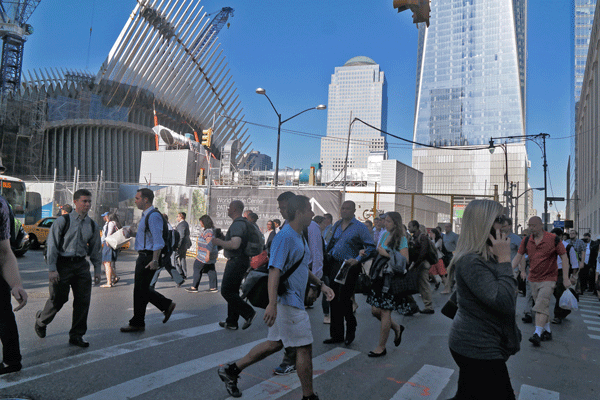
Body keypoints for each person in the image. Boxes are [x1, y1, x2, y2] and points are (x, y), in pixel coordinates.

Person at [217, 195, 334, 399]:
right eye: (309, 210)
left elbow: (300, 267)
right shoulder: (285, 236)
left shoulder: (299, 235)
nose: (313, 214)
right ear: (299, 212)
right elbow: (274, 270)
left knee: (275, 343)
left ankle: (231, 370)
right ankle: (309, 396)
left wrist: (321, 285)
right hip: (289, 302)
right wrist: (272, 304)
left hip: (291, 301)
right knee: (304, 348)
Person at [447, 200, 520, 400]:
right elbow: (504, 302)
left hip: (484, 343)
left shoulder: (489, 255)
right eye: (499, 219)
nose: (507, 224)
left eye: (507, 218)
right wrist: (506, 260)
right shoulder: (471, 260)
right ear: (483, 223)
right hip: (477, 347)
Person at [35, 189, 102, 348]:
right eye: (84, 201)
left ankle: (77, 335)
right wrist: (52, 269)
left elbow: (95, 249)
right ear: (75, 202)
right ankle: (41, 320)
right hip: (62, 265)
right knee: (58, 299)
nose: (87, 204)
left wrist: (97, 270)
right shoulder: (62, 222)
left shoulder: (92, 225)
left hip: (81, 266)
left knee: (83, 301)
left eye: (89, 201)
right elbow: (52, 246)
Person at [272, 191, 324, 376]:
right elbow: (276, 268)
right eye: (281, 208)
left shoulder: (310, 229)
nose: (283, 212)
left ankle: (235, 369)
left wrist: (315, 286)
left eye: (285, 208)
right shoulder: (287, 230)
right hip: (288, 295)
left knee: (284, 341)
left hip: (298, 290)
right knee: (293, 342)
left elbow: (315, 258)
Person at [120, 188, 176, 333]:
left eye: (137, 198)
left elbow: (158, 241)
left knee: (141, 289)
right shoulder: (147, 215)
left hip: (148, 257)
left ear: (146, 200)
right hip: (145, 256)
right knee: (140, 290)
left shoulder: (153, 216)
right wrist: (132, 233)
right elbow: (148, 237)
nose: (135, 200)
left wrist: (155, 260)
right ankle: (139, 321)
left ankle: (165, 305)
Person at [323, 201, 376, 346]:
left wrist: (358, 259)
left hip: (349, 266)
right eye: (342, 208)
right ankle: (336, 334)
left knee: (344, 299)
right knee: (333, 298)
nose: (344, 211)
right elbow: (329, 243)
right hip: (335, 264)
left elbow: (371, 247)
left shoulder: (359, 227)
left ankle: (351, 328)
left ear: (353, 211)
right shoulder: (336, 225)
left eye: (347, 209)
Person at [512, 216, 570, 347]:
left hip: (549, 278)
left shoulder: (553, 239)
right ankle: (547, 331)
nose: (531, 228)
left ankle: (537, 333)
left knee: (540, 304)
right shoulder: (526, 240)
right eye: (529, 225)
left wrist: (566, 278)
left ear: (541, 225)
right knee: (542, 306)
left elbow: (564, 257)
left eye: (533, 225)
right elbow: (518, 256)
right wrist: (509, 270)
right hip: (533, 278)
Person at [364, 212, 407, 357]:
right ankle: (396, 327)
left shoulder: (401, 238)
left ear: (396, 223)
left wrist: (387, 254)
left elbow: (404, 261)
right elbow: (378, 251)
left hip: (390, 279)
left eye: (388, 221)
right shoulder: (383, 235)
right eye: (385, 221)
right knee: (375, 310)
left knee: (385, 311)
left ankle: (381, 347)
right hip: (378, 277)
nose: (385, 223)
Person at [212, 200, 256, 331]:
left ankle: (248, 313)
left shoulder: (238, 224)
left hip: (236, 261)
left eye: (230, 207)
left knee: (226, 291)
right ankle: (231, 321)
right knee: (233, 291)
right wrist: (224, 238)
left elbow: (235, 244)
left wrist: (218, 241)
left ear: (235, 209)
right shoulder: (242, 223)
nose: (228, 209)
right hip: (241, 260)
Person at [0, 194, 27, 375]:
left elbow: (4, 251)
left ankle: (12, 360)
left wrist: (16, 284)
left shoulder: (0, 205)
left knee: (4, 315)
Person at [549, 228, 579, 325]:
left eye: (555, 236)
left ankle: (558, 316)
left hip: (563, 272)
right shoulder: (549, 247)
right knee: (553, 292)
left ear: (561, 236)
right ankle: (565, 310)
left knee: (559, 293)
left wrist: (573, 276)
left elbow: (574, 263)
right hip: (551, 272)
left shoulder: (568, 247)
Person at [149, 214, 184, 289]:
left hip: (164, 251)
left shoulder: (165, 228)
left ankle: (151, 285)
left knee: (157, 267)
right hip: (168, 250)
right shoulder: (169, 227)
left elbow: (162, 241)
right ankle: (179, 280)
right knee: (168, 266)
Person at [407, 220, 434, 314]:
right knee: (421, 285)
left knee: (424, 285)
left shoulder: (422, 237)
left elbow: (423, 252)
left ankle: (428, 306)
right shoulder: (415, 237)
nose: (408, 228)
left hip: (421, 264)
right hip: (419, 263)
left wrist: (416, 264)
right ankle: (424, 306)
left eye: (410, 226)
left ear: (415, 226)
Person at [186, 215, 218, 293]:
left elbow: (210, 243)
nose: (200, 223)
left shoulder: (208, 232)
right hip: (209, 254)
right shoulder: (210, 230)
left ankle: (194, 287)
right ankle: (213, 287)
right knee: (210, 269)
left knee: (197, 267)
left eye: (201, 222)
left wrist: (207, 255)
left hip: (204, 255)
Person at [100, 212, 119, 287]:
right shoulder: (113, 223)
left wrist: (107, 241)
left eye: (105, 216)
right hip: (109, 244)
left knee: (107, 263)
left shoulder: (111, 223)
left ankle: (109, 283)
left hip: (108, 244)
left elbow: (109, 234)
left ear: (108, 217)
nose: (104, 218)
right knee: (105, 263)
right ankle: (115, 277)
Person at [175, 212, 192, 279]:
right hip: (184, 245)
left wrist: (178, 245)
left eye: (177, 216)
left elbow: (181, 236)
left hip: (181, 245)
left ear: (181, 217)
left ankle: (180, 273)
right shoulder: (185, 223)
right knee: (182, 259)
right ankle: (184, 274)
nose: (177, 217)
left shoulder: (182, 225)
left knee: (174, 260)